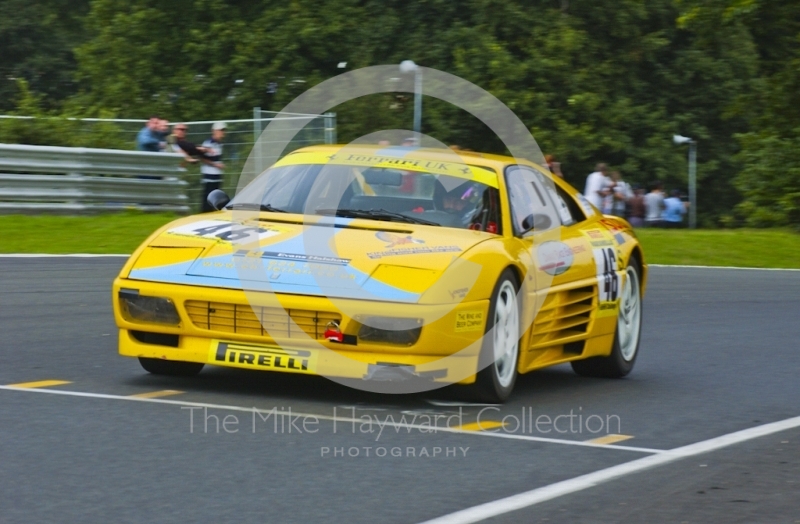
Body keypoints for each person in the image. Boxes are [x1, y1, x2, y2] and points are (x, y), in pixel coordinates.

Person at [200, 122, 227, 212]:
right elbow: (202, 158)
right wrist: (216, 165)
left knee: (216, 198)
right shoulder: (208, 143)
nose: (222, 132)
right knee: (208, 199)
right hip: (209, 177)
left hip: (217, 177)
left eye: (223, 130)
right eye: (220, 130)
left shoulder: (220, 144)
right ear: (214, 131)